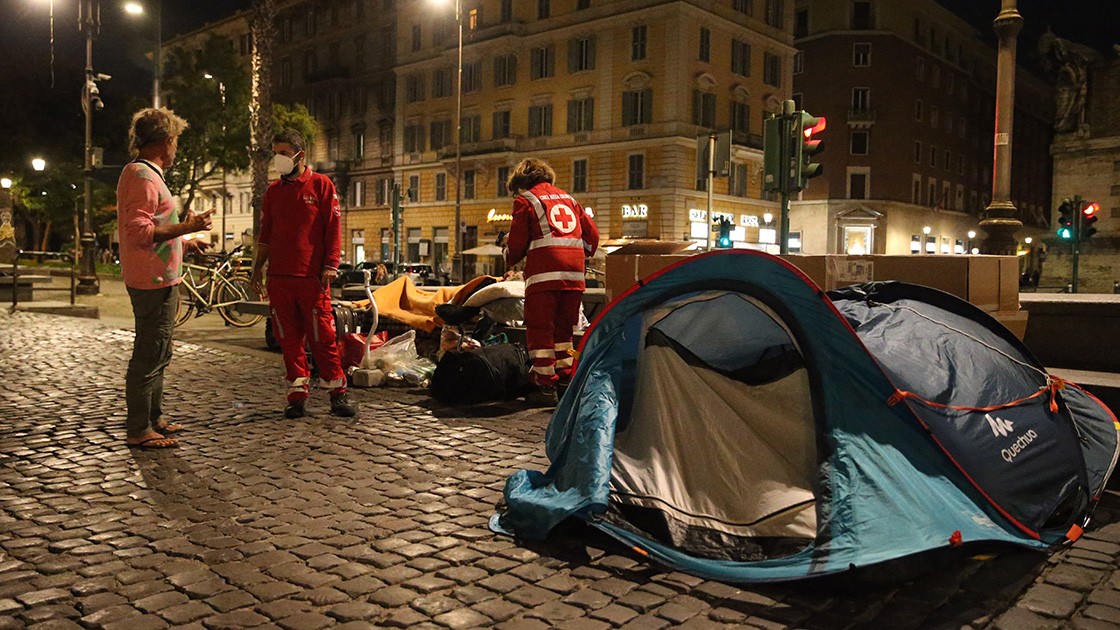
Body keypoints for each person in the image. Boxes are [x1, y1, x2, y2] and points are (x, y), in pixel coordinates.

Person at [117, 107, 213, 449]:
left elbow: (154, 229)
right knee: (149, 352)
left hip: (162, 276)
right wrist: (188, 227)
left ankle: (153, 417)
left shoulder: (148, 174)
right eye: (175, 141)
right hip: (151, 281)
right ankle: (139, 428)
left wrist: (185, 243)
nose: (177, 148)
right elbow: (139, 231)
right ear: (166, 140)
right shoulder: (142, 176)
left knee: (160, 351)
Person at [250, 128, 357, 419]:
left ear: (300, 154)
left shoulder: (322, 186)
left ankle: (338, 393)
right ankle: (297, 395)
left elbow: (333, 230)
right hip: (280, 279)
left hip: (312, 278)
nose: (279, 159)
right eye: (277, 153)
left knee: (323, 336)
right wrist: (257, 269)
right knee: (289, 339)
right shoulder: (273, 192)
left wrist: (330, 265)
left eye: (284, 153)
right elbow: (265, 235)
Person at [505, 158, 599, 407]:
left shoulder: (526, 200)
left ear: (522, 182)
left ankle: (544, 385)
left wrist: (508, 256)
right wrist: (579, 253)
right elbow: (593, 237)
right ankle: (566, 379)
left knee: (540, 329)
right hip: (575, 275)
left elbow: (516, 245)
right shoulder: (570, 200)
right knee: (564, 332)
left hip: (545, 273)